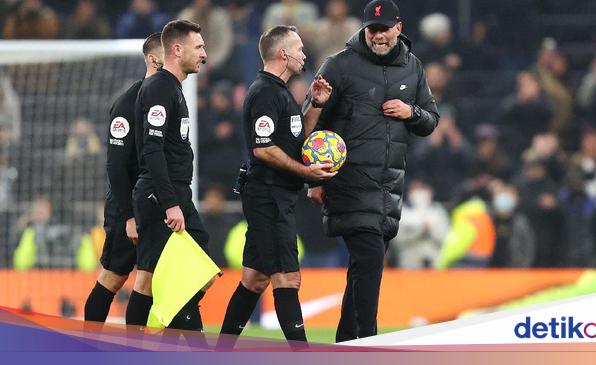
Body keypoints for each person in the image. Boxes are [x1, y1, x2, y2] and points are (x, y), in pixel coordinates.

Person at [304, 0, 439, 341]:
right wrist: (312, 179)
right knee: (368, 260)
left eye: (384, 29)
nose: (378, 36)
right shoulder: (339, 66)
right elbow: (311, 122)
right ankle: (369, 344)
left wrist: (411, 112)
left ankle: (346, 343)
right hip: (348, 183)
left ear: (399, 27)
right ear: (364, 29)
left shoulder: (413, 67)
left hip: (388, 186)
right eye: (372, 29)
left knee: (364, 268)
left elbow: (431, 121)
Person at [218, 25, 334, 348]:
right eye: (298, 49)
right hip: (268, 196)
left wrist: (316, 105)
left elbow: (295, 138)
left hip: (274, 195)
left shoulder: (281, 92)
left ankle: (220, 350)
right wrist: (305, 171)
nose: (304, 54)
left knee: (254, 280)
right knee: (288, 277)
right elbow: (263, 148)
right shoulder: (265, 92)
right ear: (283, 54)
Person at [129, 20, 212, 332]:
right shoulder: (160, 88)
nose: (204, 53)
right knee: (157, 274)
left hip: (173, 194)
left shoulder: (172, 88)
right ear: (177, 50)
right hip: (161, 196)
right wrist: (169, 204)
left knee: (172, 272)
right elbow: (152, 149)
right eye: (199, 47)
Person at [83, 33, 163, 323]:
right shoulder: (128, 103)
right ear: (154, 59)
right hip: (126, 207)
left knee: (149, 281)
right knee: (113, 278)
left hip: (155, 206)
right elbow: (115, 166)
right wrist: (129, 215)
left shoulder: (167, 100)